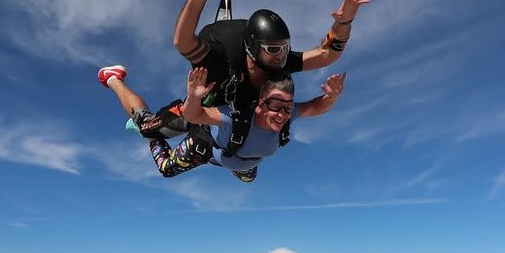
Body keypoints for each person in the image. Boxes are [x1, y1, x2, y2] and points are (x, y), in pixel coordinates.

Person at [131, 0, 368, 141]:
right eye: (274, 49)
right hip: (202, 107)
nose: (281, 56)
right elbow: (182, 42)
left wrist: (344, 22)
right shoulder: (224, 56)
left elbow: (327, 54)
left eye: (285, 48)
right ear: (252, 48)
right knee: (148, 130)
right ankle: (113, 79)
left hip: (233, 120)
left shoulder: (280, 63)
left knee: (245, 152)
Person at [98, 65, 345, 182]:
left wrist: (331, 96)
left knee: (249, 177)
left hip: (237, 158)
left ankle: (237, 164)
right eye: (275, 106)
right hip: (204, 145)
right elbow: (195, 116)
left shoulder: (287, 115)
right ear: (260, 103)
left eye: (287, 107)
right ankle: (113, 79)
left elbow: (315, 107)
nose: (282, 114)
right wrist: (194, 97)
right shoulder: (232, 117)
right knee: (164, 164)